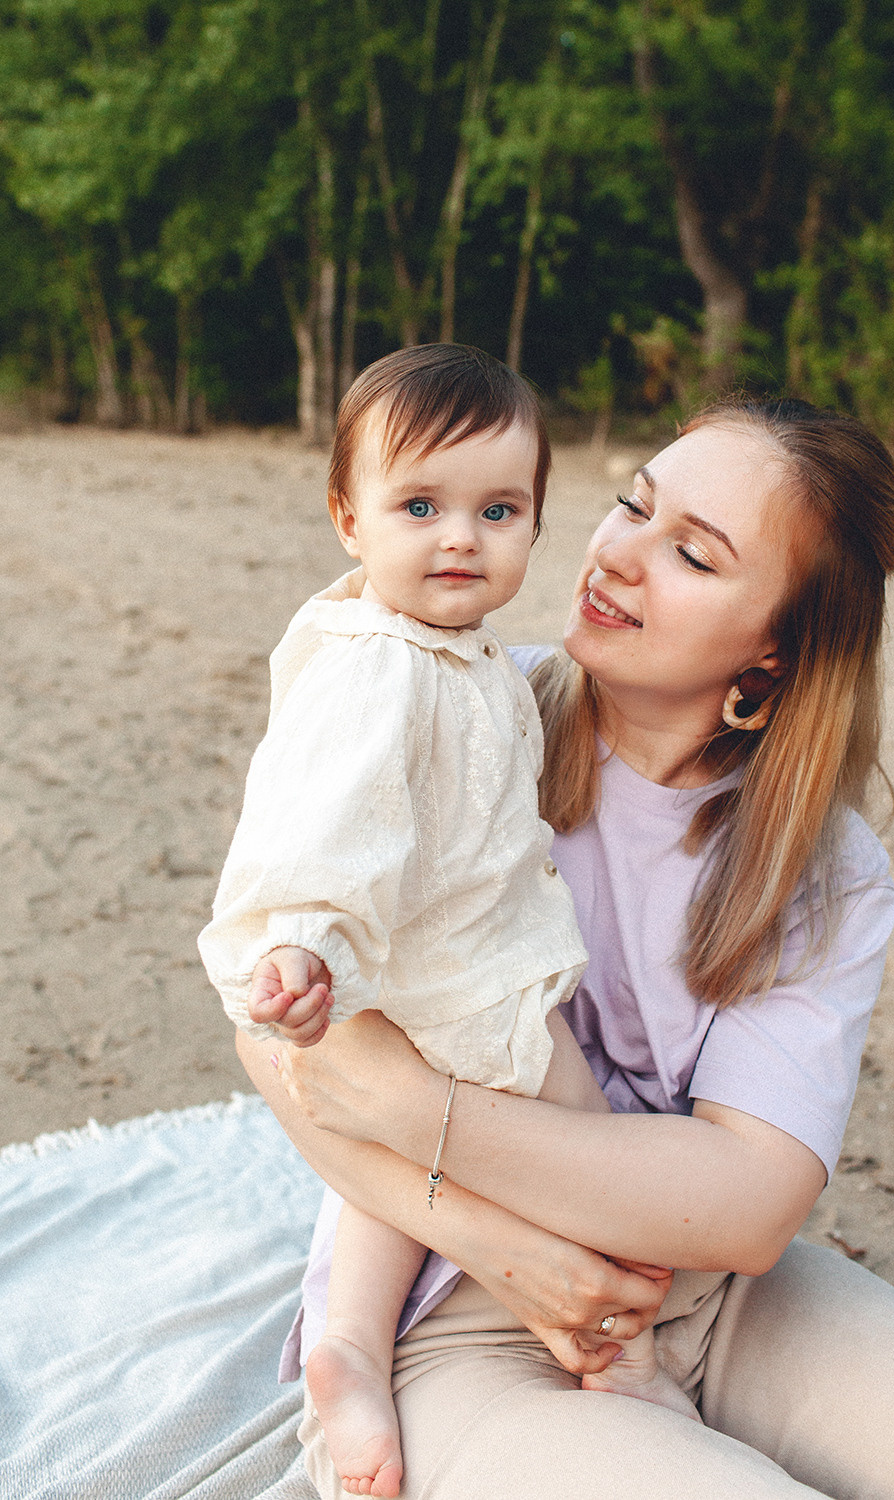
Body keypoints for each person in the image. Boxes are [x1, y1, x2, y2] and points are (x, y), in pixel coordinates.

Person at [238, 394, 894, 1499]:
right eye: (631, 506)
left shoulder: (819, 860)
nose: (618, 556)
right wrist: (502, 1244)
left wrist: (412, 1108)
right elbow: (275, 1017)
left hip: (721, 1298)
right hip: (470, 1315)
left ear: (777, 648)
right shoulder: (452, 711)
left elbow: (749, 1201)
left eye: (690, 553)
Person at [199, 345, 696, 1500]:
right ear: (348, 519)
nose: (461, 537)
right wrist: (302, 940)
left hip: (428, 972)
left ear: (533, 523)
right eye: (419, 506)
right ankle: (617, 1354)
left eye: (499, 509)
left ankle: (350, 1347)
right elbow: (321, 813)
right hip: (460, 977)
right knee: (597, 1159)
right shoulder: (381, 672)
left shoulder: (452, 651)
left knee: (384, 1176)